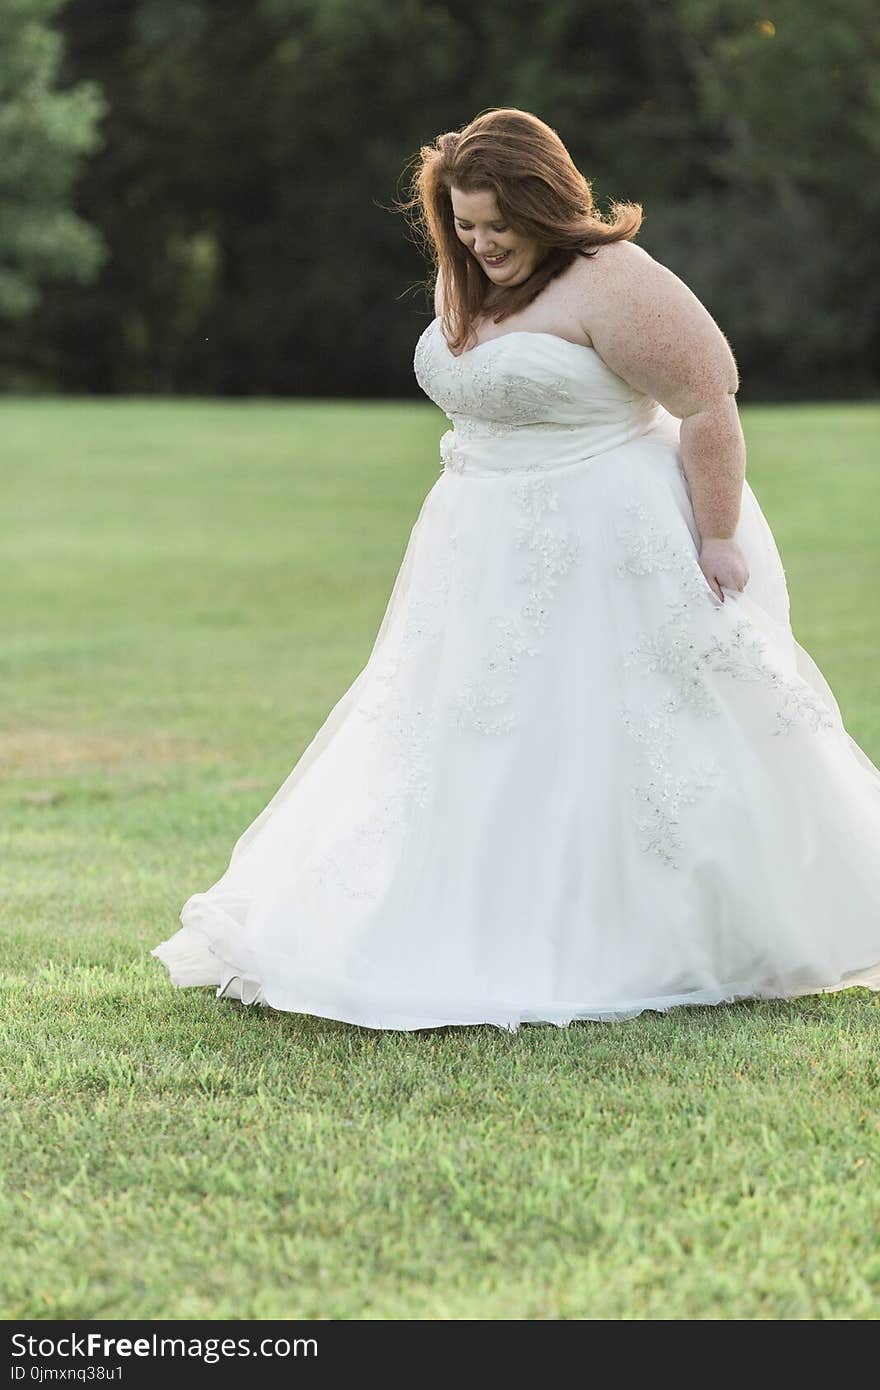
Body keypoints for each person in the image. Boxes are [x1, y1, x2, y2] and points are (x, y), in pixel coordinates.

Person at [151, 107, 880, 1032]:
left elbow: (709, 399)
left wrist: (719, 532)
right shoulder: (476, 284)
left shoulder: (612, 279)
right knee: (463, 736)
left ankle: (651, 933)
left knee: (610, 735)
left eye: (501, 224)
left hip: (607, 539)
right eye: (465, 224)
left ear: (546, 204)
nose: (483, 243)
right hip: (480, 542)